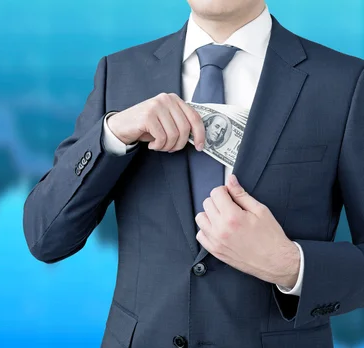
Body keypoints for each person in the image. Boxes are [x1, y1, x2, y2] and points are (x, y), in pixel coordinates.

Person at [23, 0, 364, 346]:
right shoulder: (120, 74)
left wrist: (290, 265)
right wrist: (112, 134)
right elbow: (44, 237)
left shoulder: (344, 83)